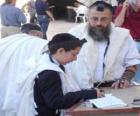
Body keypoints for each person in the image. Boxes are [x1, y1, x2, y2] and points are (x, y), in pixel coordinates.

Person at [66, 1, 140, 89]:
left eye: (104, 19)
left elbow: (132, 63)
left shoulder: (123, 37)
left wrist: (125, 79)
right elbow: (61, 61)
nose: (99, 23)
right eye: (94, 19)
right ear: (88, 17)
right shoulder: (75, 34)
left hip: (114, 88)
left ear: (111, 18)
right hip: (81, 89)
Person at [33, 33, 104, 116]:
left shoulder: (51, 62)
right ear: (61, 51)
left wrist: (90, 91)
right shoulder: (49, 73)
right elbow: (57, 102)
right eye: (74, 54)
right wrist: (88, 94)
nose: (75, 59)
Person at [114, 0, 140, 82]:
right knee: (130, 67)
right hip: (129, 43)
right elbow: (117, 24)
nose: (136, 2)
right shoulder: (122, 8)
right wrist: (124, 8)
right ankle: (129, 82)